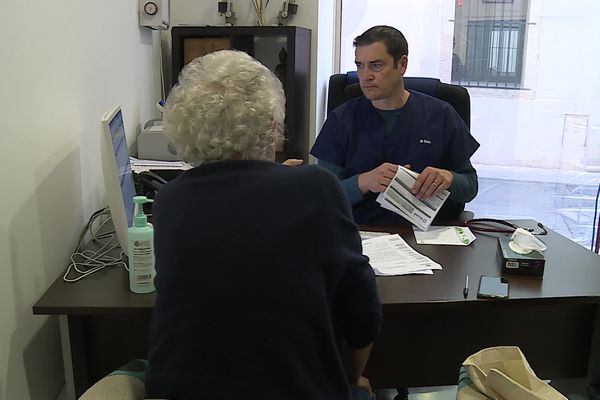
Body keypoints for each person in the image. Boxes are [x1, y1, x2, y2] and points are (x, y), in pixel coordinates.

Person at [145, 50, 382, 400]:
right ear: (272, 125)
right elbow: (362, 312)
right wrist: (350, 379)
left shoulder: (170, 201)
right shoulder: (315, 188)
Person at [311, 25, 480, 225]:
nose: (365, 76)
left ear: (402, 65)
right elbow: (323, 196)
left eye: (375, 65)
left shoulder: (441, 115)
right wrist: (364, 181)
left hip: (425, 237)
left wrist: (449, 178)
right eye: (359, 66)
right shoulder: (342, 119)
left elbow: (470, 186)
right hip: (360, 234)